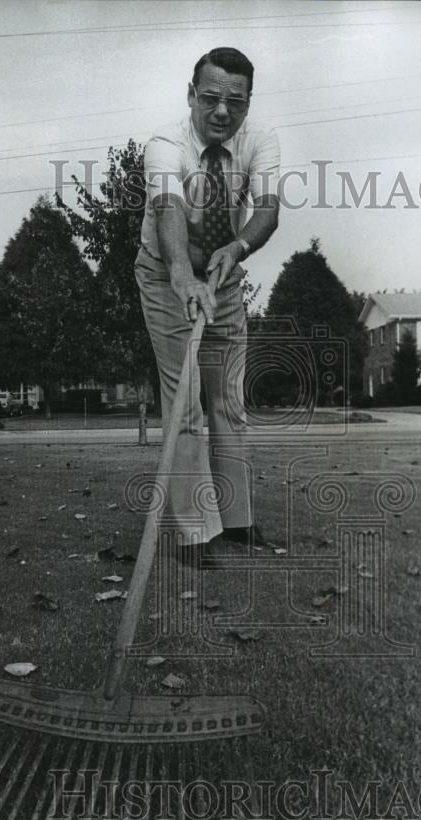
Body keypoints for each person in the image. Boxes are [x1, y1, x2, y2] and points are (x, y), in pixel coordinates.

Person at [135, 47, 280, 566]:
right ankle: (196, 533)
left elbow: (267, 210)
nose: (223, 112)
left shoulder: (259, 141)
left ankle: (237, 522)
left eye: (235, 102)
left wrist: (236, 248)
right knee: (187, 401)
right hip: (163, 273)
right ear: (192, 95)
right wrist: (180, 275)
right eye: (212, 98)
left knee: (229, 401)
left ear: (247, 103)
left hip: (223, 275)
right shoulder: (165, 145)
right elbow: (168, 206)